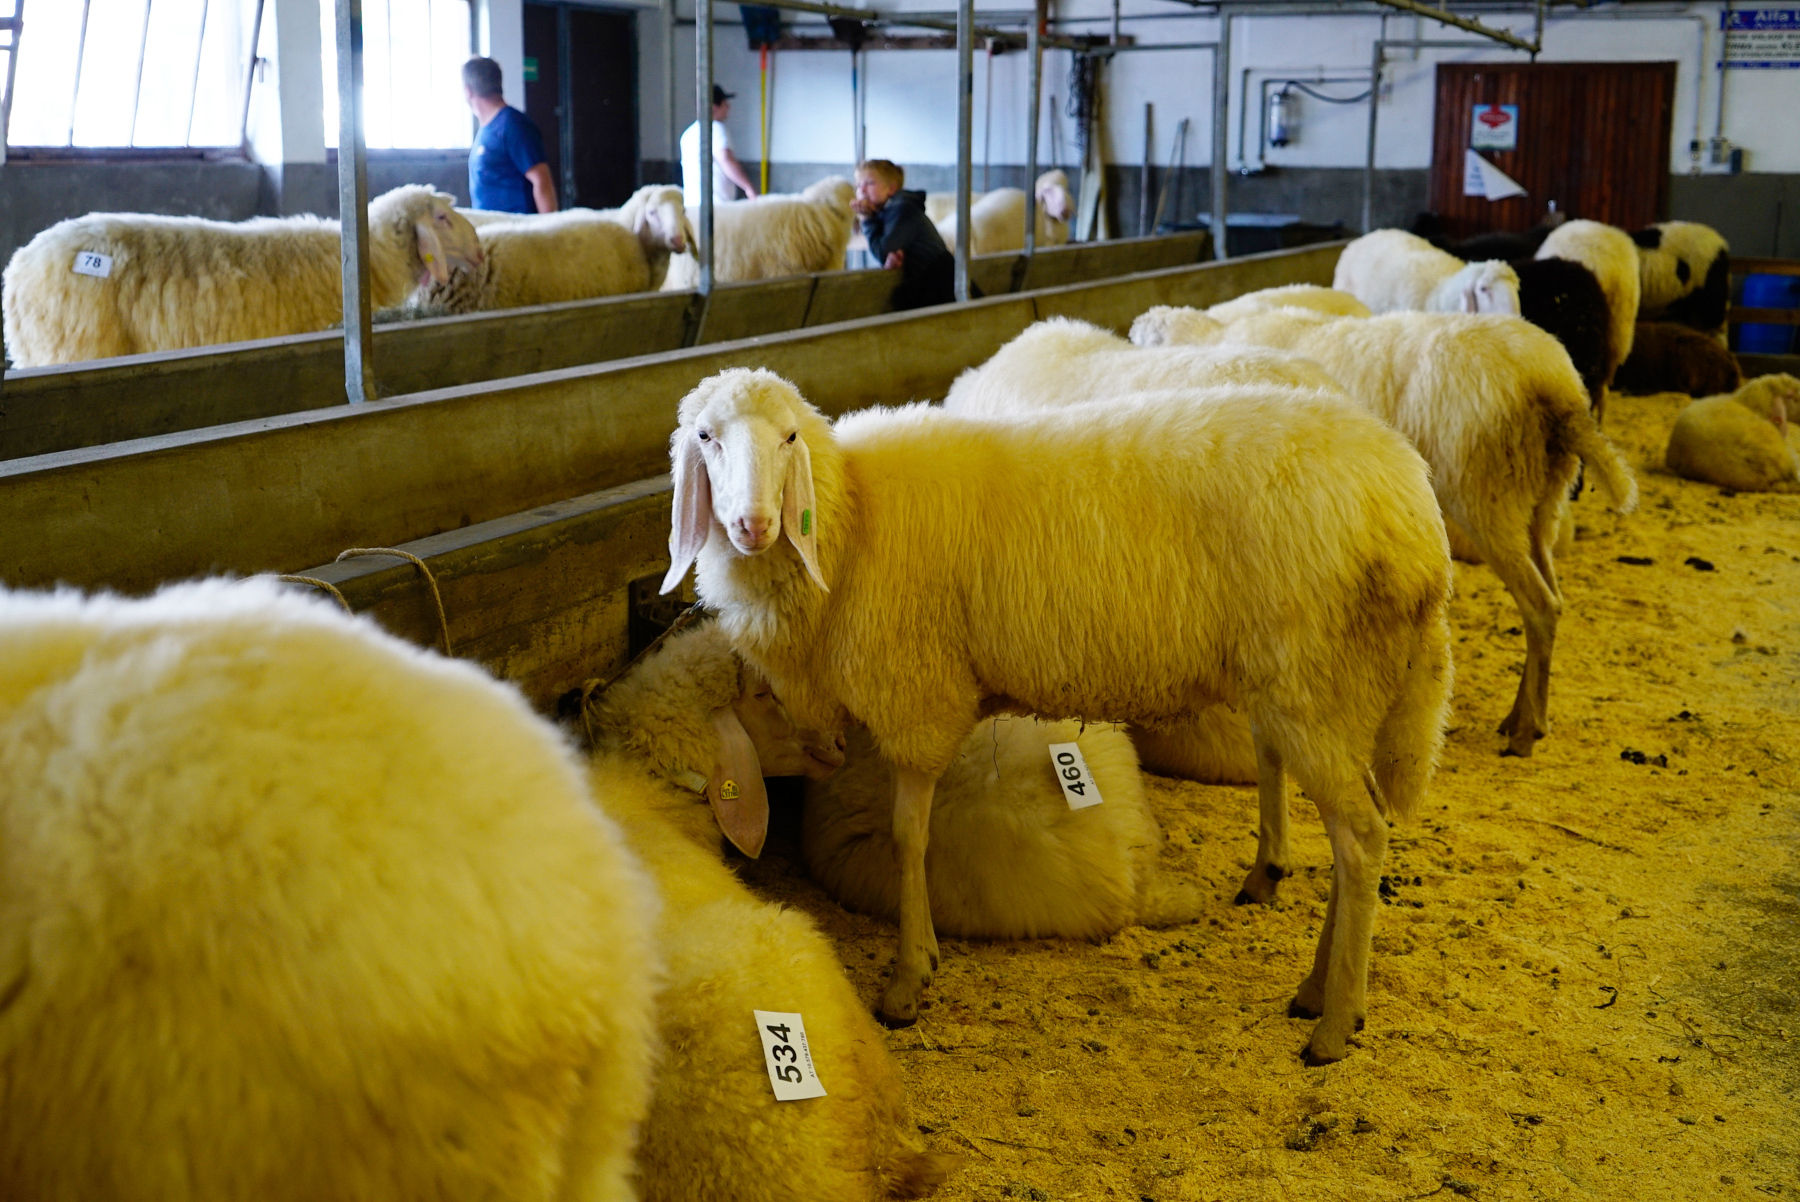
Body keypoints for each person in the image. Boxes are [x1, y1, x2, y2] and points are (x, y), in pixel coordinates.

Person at [853, 159, 956, 311]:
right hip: (932, 283)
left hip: (939, 283)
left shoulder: (902, 208)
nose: (862, 190)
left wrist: (866, 220)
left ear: (891, 188)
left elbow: (883, 251)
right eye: (858, 185)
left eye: (870, 183)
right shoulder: (889, 210)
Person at [463, 56, 557, 214]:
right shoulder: (486, 129)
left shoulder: (513, 124)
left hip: (518, 233)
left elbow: (542, 180)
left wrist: (551, 234)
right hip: (493, 233)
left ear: (468, 91)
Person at [680, 85, 758, 210]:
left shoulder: (688, 134)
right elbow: (725, 159)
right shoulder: (715, 129)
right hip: (717, 208)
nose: (728, 107)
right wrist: (748, 188)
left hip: (691, 207)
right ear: (714, 107)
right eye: (724, 103)